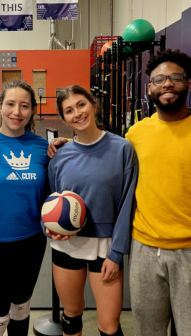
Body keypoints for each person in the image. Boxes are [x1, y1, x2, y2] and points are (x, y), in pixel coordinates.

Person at [45, 85, 138, 336]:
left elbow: (127, 203)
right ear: (63, 119)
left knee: (109, 326)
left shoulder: (122, 149)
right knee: (71, 315)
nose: (77, 113)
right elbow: (51, 200)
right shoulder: (60, 156)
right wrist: (50, 230)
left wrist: (117, 252)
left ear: (94, 105)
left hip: (105, 248)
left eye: (81, 104)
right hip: (67, 246)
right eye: (69, 110)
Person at [0, 80, 48, 336]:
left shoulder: (42, 147)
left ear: (32, 110)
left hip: (30, 243)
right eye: (10, 104)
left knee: (21, 309)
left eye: (24, 106)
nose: (17, 112)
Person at [126, 49, 191, 336]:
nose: (167, 84)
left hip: (189, 251)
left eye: (175, 77)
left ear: (188, 83)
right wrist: (68, 145)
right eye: (159, 79)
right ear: (148, 87)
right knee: (147, 331)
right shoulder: (135, 134)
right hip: (144, 250)